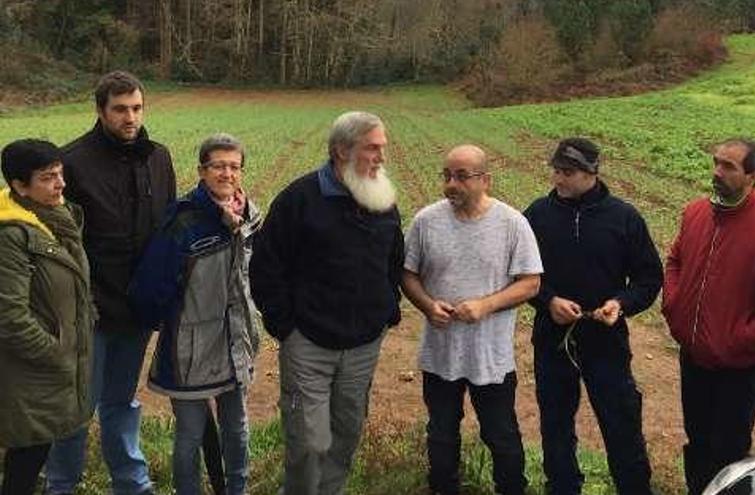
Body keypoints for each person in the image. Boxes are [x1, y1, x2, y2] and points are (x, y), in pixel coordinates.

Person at [249, 111, 403, 495]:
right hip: (309, 343)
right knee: (308, 441)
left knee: (347, 434)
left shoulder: (383, 199)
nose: (381, 157)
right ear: (340, 151)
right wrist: (287, 327)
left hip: (363, 343)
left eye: (382, 148)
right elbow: (266, 267)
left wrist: (387, 310)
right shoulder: (299, 200)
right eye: (372, 148)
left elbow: (394, 260)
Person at [45, 70, 176, 495]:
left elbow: (169, 229)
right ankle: (61, 484)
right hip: (90, 312)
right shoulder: (73, 164)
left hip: (137, 309)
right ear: (101, 111)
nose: (130, 117)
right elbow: (59, 244)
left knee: (122, 403)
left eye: (136, 108)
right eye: (120, 109)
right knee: (77, 406)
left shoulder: (158, 158)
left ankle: (132, 484)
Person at [662, 138, 755, 495]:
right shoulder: (695, 212)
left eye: (728, 167)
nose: (716, 172)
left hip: (742, 366)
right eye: (715, 162)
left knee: (729, 450)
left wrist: (742, 341)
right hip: (694, 354)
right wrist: (673, 305)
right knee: (697, 440)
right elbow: (675, 260)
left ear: (754, 176)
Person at [402, 144, 543, 495]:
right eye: (447, 175)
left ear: (486, 180)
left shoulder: (512, 224)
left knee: (501, 435)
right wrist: (427, 305)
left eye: (462, 176)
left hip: (490, 357)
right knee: (441, 433)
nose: (452, 184)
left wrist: (486, 305)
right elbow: (408, 275)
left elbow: (531, 282)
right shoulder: (425, 221)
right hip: (440, 354)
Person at [524, 138, 662, 495]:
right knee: (555, 425)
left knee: (621, 423)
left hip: (606, 341)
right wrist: (548, 300)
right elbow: (523, 275)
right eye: (555, 170)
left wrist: (621, 303)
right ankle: (563, 488)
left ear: (592, 173)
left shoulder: (624, 217)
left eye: (567, 172)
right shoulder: (537, 215)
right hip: (552, 339)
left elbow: (648, 277)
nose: (558, 179)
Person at [129, 133, 261, 494]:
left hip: (235, 342)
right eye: (218, 165)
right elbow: (152, 286)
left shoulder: (251, 217)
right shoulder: (183, 221)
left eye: (234, 166)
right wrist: (170, 322)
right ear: (202, 170)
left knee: (237, 427)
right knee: (188, 436)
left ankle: (238, 489)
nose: (227, 173)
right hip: (189, 349)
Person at [0, 140, 93, 495]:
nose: (60, 184)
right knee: (25, 461)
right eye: (48, 177)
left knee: (31, 458)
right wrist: (57, 353)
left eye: (60, 173)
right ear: (19, 186)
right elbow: (9, 317)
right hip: (31, 374)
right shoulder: (11, 235)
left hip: (48, 371)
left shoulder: (56, 218)